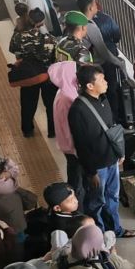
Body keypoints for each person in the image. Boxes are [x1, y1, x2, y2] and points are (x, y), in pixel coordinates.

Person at [69, 64, 135, 239]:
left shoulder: (103, 100)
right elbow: (81, 145)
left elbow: (111, 130)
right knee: (96, 202)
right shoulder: (78, 110)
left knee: (112, 197)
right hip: (97, 167)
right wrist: (91, 172)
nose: (106, 82)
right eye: (102, 79)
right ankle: (98, 235)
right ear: (90, 85)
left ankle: (115, 230)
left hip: (112, 160)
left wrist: (119, 153)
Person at [10, 6, 58, 138]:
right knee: (50, 104)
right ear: (41, 23)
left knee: (27, 104)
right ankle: (52, 131)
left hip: (28, 74)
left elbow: (16, 53)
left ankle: (28, 130)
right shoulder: (49, 39)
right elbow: (54, 58)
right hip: (46, 75)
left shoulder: (18, 36)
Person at [48, 61, 84, 206]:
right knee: (78, 183)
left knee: (76, 178)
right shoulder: (67, 98)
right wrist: (77, 151)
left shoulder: (64, 92)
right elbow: (69, 128)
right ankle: (77, 209)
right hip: (73, 148)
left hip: (69, 147)